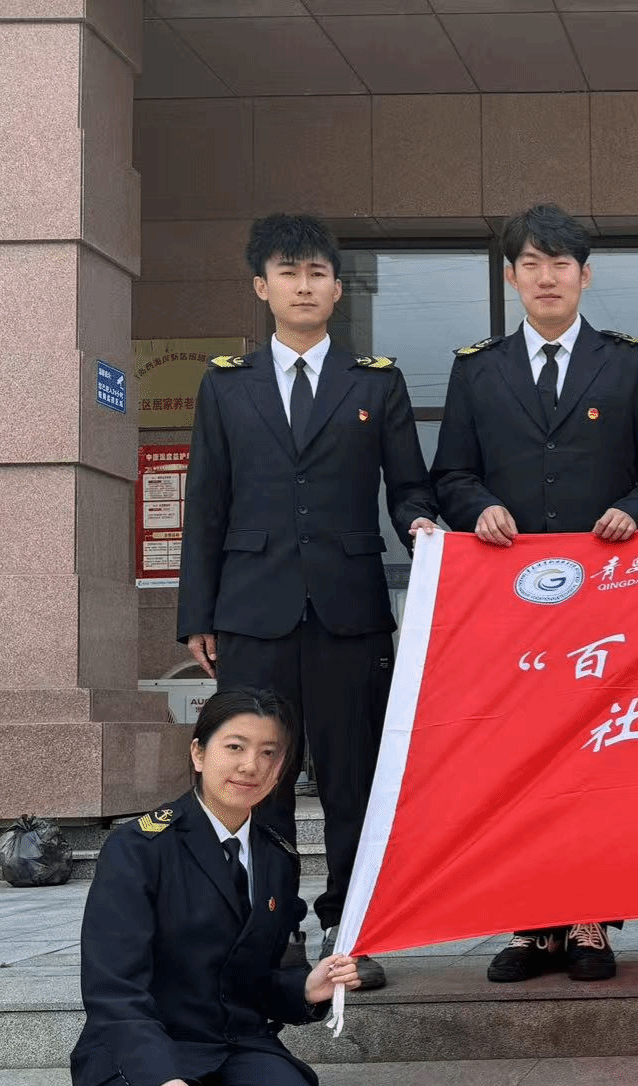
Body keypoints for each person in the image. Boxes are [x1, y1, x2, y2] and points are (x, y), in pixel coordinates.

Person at [178, 214, 438, 992]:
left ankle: (350, 929)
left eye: (317, 273)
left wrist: (421, 524)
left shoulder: (377, 382)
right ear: (262, 287)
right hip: (251, 612)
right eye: (288, 273)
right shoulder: (226, 385)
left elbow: (409, 484)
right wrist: (197, 616)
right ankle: (274, 926)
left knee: (354, 780)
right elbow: (206, 504)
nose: (303, 286)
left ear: (336, 289)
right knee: (259, 777)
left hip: (349, 613)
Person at [432, 202, 638, 984]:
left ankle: (588, 922)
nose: (547, 277)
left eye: (562, 263)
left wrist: (635, 510)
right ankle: (529, 925)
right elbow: (451, 473)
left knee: (593, 763)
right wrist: (478, 508)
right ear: (512, 276)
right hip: (511, 608)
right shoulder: (478, 369)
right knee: (516, 764)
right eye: (532, 264)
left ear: (586, 275)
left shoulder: (629, 365)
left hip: (605, 603)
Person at [71, 689, 362, 1086]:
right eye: (235, 747)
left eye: (269, 753)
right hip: (142, 1041)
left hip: (231, 1043)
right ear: (199, 753)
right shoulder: (139, 848)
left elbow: (255, 981)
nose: (251, 765)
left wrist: (303, 989)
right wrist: (161, 1080)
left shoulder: (276, 856)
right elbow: (114, 990)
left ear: (282, 768)